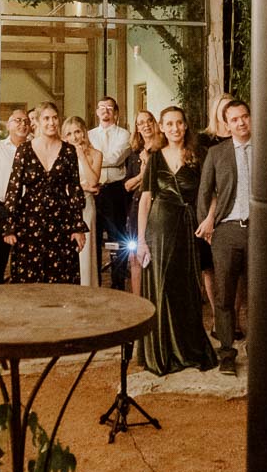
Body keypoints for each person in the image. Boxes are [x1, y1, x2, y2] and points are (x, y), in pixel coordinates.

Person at [135, 107, 218, 375]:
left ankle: (188, 349)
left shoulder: (198, 156)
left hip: (188, 228)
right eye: (169, 124)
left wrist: (210, 219)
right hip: (158, 228)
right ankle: (161, 351)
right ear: (161, 127)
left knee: (185, 289)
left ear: (186, 126)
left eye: (179, 123)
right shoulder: (154, 157)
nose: (174, 128)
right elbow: (146, 200)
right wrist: (141, 240)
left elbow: (212, 193)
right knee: (161, 287)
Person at [196, 99, 253, 376]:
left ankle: (260, 348)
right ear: (226, 124)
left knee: (259, 294)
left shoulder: (266, 149)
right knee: (224, 295)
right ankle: (227, 353)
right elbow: (204, 193)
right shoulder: (217, 153)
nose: (241, 122)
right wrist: (207, 226)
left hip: (261, 231)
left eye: (244, 117)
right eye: (234, 119)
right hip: (227, 230)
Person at [2, 103, 87, 285]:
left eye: (55, 118)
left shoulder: (69, 151)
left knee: (62, 277)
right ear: (38, 122)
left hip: (61, 221)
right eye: (46, 118)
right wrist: (10, 225)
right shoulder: (24, 150)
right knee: (29, 278)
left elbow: (74, 189)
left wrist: (78, 226)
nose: (51, 122)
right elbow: (14, 188)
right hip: (29, 221)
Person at [88, 97, 133, 290]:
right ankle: (93, 282)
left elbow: (116, 158)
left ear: (116, 112)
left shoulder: (125, 135)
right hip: (92, 190)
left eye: (109, 108)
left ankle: (118, 283)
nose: (105, 110)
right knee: (93, 238)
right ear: (97, 112)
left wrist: (93, 158)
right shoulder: (88, 135)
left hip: (115, 191)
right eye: (102, 107)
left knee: (118, 239)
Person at [0, 109, 29, 285]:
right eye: (17, 120)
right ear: (8, 125)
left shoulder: (35, 149)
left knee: (25, 263)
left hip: (27, 211)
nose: (23, 124)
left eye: (26, 121)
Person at [123, 110, 161, 299]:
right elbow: (128, 186)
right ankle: (138, 300)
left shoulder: (163, 150)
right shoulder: (134, 154)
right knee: (134, 256)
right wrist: (142, 173)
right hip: (136, 207)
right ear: (137, 128)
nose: (145, 125)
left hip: (157, 208)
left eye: (149, 121)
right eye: (140, 123)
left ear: (155, 123)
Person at [61, 117, 102, 286]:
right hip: (65, 207)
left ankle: (87, 287)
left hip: (87, 206)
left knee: (85, 252)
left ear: (84, 132)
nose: (74, 137)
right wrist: (81, 186)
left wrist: (81, 156)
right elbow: (59, 184)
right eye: (69, 133)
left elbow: (93, 181)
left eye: (77, 131)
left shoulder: (96, 154)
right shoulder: (61, 156)